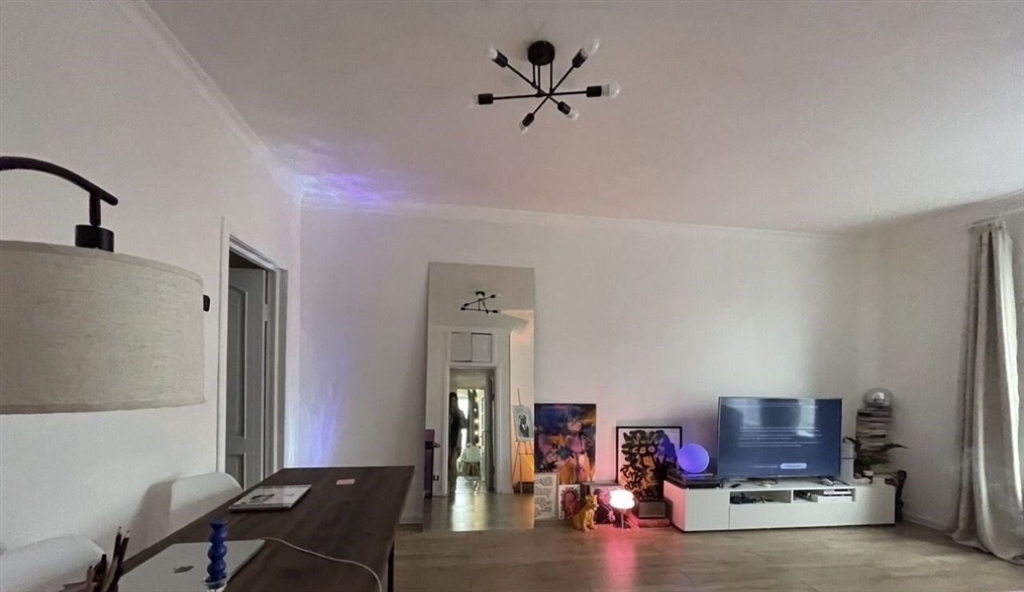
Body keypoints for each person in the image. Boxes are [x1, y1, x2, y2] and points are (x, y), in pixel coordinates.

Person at [447, 392, 467, 495]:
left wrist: (459, 419)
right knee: (447, 464)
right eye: (451, 401)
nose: (453, 403)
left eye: (455, 401)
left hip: (456, 442)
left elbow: (465, 425)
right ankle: (448, 484)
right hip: (447, 442)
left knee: (452, 463)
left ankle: (452, 486)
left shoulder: (460, 413)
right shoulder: (446, 412)